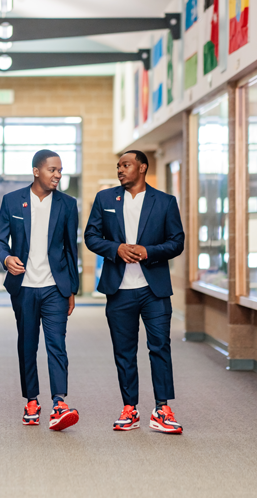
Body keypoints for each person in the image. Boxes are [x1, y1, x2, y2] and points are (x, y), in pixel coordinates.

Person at [84, 150, 185, 434]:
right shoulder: (106, 199)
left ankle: (162, 408)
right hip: (119, 290)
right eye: (118, 166)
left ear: (141, 168)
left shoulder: (165, 202)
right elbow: (91, 236)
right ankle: (130, 409)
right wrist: (115, 249)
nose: (120, 170)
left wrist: (148, 251)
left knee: (160, 348)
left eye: (126, 165)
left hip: (154, 290)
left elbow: (177, 242)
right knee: (124, 352)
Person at [0, 150, 81, 431]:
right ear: (36, 171)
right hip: (24, 289)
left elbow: (71, 248)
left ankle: (59, 402)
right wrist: (6, 259)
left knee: (57, 344)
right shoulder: (12, 201)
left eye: (60, 170)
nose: (57, 175)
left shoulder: (67, 204)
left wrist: (71, 289)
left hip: (55, 287)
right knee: (27, 344)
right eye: (52, 170)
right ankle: (32, 400)